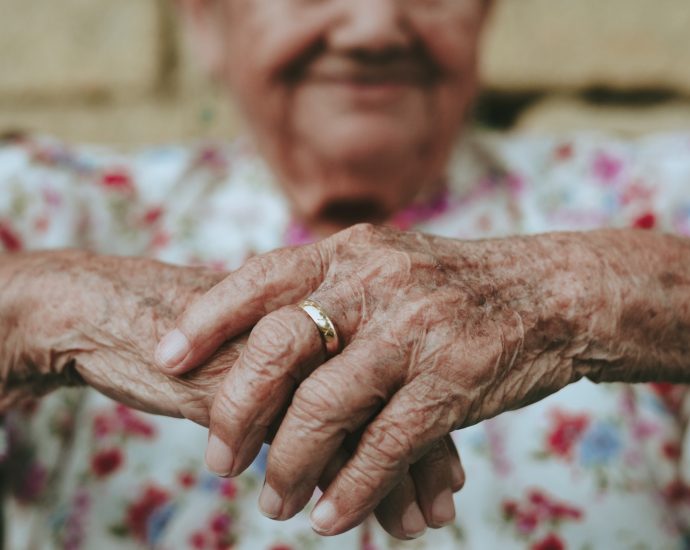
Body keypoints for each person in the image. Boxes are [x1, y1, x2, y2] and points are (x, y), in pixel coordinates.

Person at [1, 0, 689, 548]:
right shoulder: (60, 213)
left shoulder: (647, 201)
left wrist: (560, 295)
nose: (373, 24)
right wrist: (35, 308)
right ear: (206, 21)